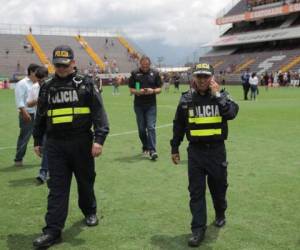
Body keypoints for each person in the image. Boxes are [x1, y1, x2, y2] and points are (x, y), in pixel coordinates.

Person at [32, 45, 109, 248]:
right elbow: (40, 115)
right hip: (55, 145)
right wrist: (37, 140)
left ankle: (90, 211)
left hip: (81, 143)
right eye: (57, 65)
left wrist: (99, 140)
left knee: (85, 183)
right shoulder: (47, 86)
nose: (61, 69)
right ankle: (52, 231)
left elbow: (99, 113)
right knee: (57, 189)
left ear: (73, 63)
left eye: (65, 65)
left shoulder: (85, 84)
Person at [170, 63, 239, 247]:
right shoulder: (186, 100)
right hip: (195, 153)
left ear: (212, 78)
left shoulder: (222, 96)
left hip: (216, 152)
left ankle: (220, 212)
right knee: (196, 192)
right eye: (199, 76)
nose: (202, 80)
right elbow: (178, 126)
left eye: (205, 76)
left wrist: (217, 96)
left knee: (219, 189)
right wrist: (174, 148)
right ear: (194, 78)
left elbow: (231, 113)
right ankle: (198, 229)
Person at [128, 56, 162, 160]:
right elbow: (132, 89)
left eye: (147, 65)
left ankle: (152, 150)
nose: (145, 67)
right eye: (143, 65)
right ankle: (145, 146)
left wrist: (152, 91)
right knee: (142, 129)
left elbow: (159, 89)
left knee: (151, 127)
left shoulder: (155, 73)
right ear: (140, 64)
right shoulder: (135, 74)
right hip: (139, 105)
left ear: (149, 64)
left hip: (151, 105)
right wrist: (138, 91)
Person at [14, 63, 40, 166]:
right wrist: (24, 113)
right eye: (37, 71)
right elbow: (19, 101)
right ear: (32, 72)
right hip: (27, 114)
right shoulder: (22, 83)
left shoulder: (38, 83)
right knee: (24, 138)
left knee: (42, 137)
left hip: (38, 115)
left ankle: (45, 159)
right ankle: (18, 159)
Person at [26, 66, 49, 183]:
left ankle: (44, 171)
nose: (40, 83)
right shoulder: (34, 88)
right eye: (39, 80)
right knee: (45, 146)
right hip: (40, 121)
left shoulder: (53, 86)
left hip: (53, 122)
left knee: (48, 146)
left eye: (42, 80)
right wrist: (37, 100)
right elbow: (28, 103)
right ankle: (45, 170)